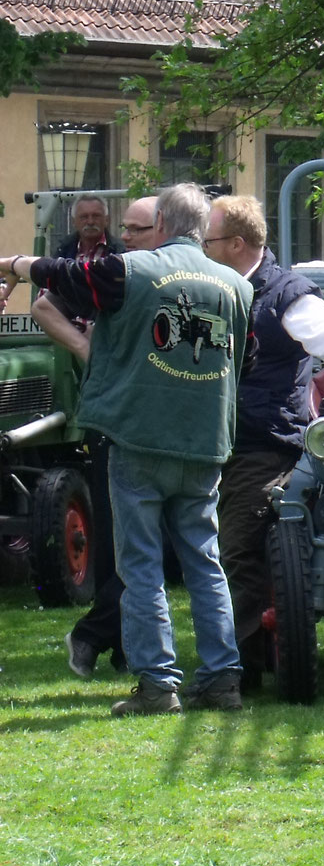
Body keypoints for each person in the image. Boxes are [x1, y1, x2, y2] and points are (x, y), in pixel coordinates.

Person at [2, 183, 253, 715]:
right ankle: (223, 679)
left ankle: (158, 684)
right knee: (207, 564)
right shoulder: (236, 285)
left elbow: (64, 277)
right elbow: (240, 362)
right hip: (205, 443)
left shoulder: (130, 271)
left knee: (140, 565)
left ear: (161, 223)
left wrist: (17, 263)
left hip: (139, 437)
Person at [203, 196, 324, 681]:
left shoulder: (285, 293)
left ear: (237, 244)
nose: (202, 248)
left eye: (209, 240)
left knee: (241, 548)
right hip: (213, 440)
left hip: (264, 443)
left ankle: (238, 668)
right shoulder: (212, 286)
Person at [53, 194, 158, 680]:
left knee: (150, 542)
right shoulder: (111, 271)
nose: (124, 236)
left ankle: (119, 642)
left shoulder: (150, 270)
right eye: (131, 229)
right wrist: (85, 349)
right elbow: (44, 303)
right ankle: (98, 634)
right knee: (128, 537)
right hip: (117, 418)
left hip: (155, 419)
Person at [57, 195, 117, 263]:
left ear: (106, 220)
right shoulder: (63, 250)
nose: (90, 222)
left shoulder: (119, 252)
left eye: (96, 216)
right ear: (73, 222)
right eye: (84, 217)